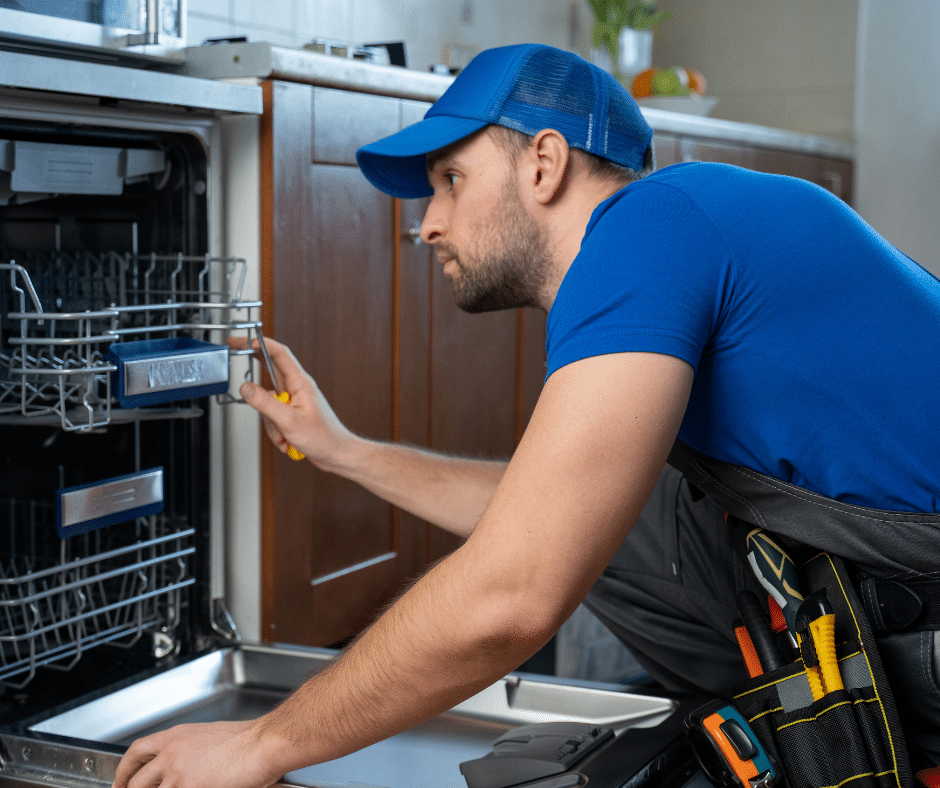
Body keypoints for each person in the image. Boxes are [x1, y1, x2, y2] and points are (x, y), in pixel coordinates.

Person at [112, 43, 940, 788]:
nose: (426, 223)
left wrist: (260, 745)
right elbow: (544, 513)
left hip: (922, 601)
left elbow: (514, 592)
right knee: (621, 516)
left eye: (450, 180)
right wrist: (341, 451)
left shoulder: (650, 228)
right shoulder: (684, 224)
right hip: (894, 559)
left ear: (544, 162)